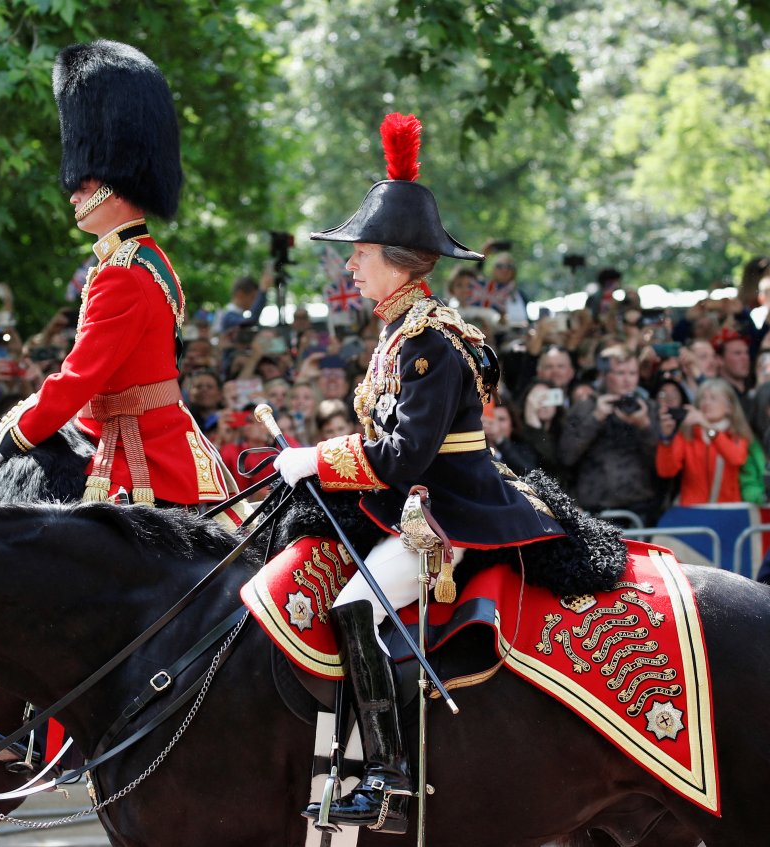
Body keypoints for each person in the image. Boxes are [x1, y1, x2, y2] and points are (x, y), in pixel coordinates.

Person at [271, 114, 580, 833]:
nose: (351, 265)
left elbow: (402, 456)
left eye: (360, 254)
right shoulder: (402, 330)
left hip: (450, 511)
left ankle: (385, 774)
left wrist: (314, 457)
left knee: (352, 606)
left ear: (397, 258)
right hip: (418, 502)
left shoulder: (430, 342)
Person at [0, 40, 231, 507]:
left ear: (115, 185)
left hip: (137, 451)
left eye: (86, 182)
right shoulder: (143, 257)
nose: (73, 193)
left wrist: (14, 436)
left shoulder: (124, 273)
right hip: (125, 431)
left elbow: (79, 379)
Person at [559, 346, 662, 525]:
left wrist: (645, 426)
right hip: (597, 507)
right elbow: (567, 456)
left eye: (632, 373)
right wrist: (595, 418)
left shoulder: (650, 408)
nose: (627, 380)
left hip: (642, 505)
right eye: (620, 373)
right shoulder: (585, 407)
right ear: (605, 375)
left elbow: (663, 462)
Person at [656, 378, 754, 505]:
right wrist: (666, 439)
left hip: (727, 509)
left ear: (729, 407)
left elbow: (736, 458)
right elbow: (667, 471)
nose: (706, 403)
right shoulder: (687, 434)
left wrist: (708, 428)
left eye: (713, 398)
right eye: (703, 398)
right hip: (693, 509)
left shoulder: (736, 435)